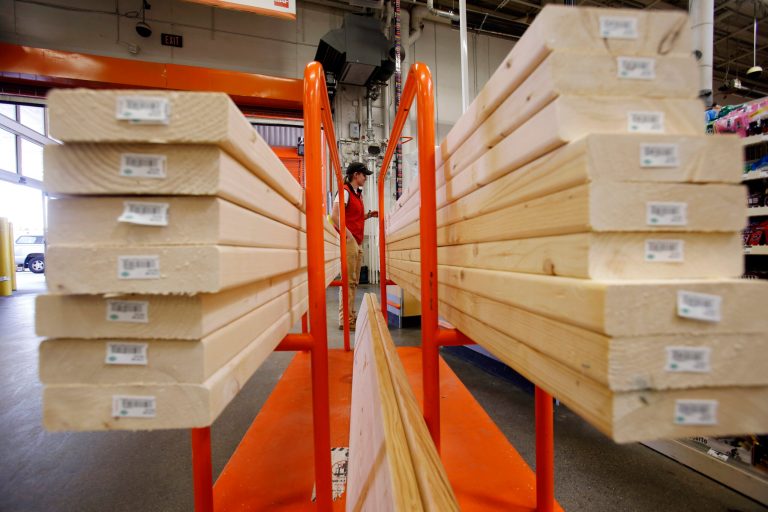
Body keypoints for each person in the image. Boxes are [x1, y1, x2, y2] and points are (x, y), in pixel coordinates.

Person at [331, 162, 378, 330]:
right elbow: (335, 216)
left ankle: (350, 315)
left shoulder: (357, 195)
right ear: (356, 175)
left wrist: (367, 216)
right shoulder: (344, 191)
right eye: (364, 175)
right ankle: (345, 319)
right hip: (350, 241)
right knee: (348, 281)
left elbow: (352, 217)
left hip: (357, 242)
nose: (365, 178)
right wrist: (348, 235)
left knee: (354, 282)